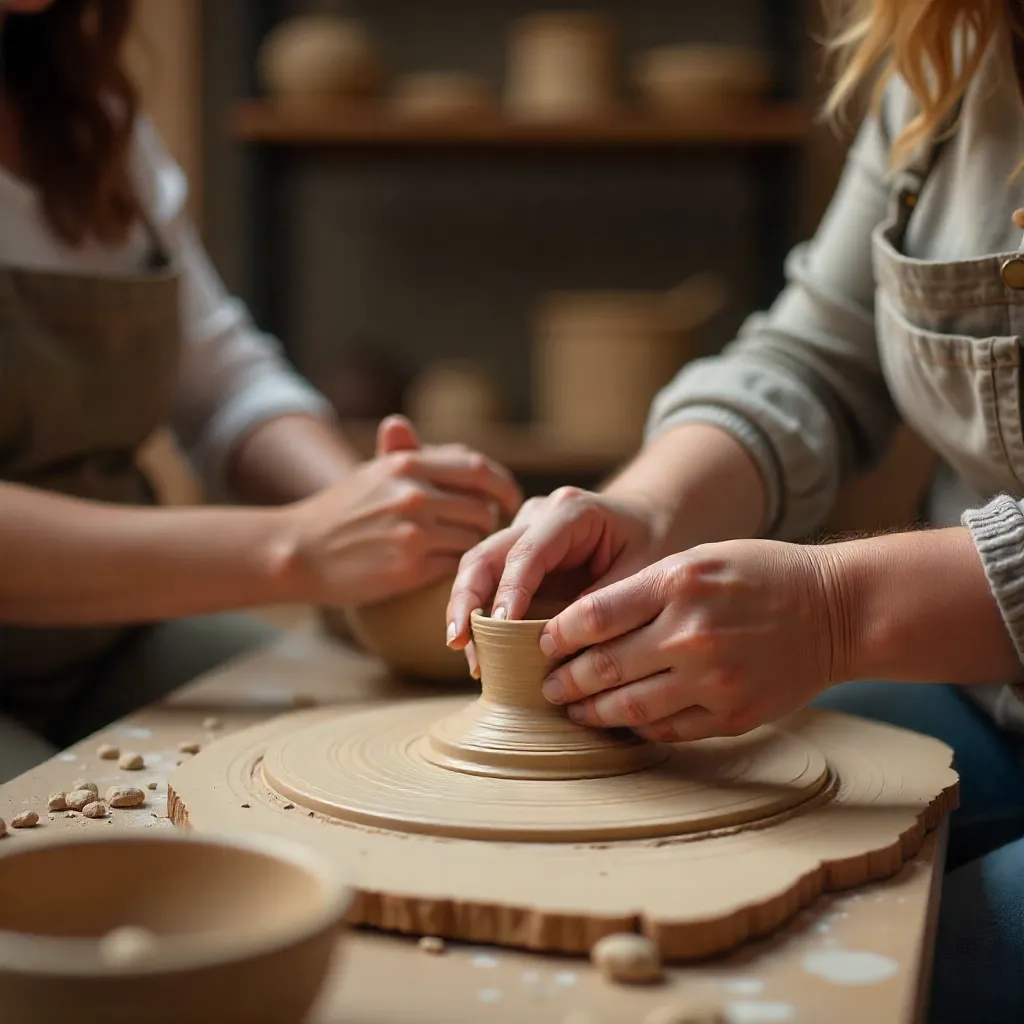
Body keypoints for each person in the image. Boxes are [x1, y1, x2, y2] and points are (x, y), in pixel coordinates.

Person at [448, 2, 1024, 1019]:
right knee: (695, 837)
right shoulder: (952, 44)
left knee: (877, 972)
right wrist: (648, 505)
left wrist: (838, 610)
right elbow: (816, 354)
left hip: (952, 640)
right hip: (988, 691)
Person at [0, 0, 521, 782]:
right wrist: (296, 548)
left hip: (101, 635)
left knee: (354, 751)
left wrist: (378, 508)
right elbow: (296, 545)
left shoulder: (88, 116)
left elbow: (221, 384)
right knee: (68, 858)